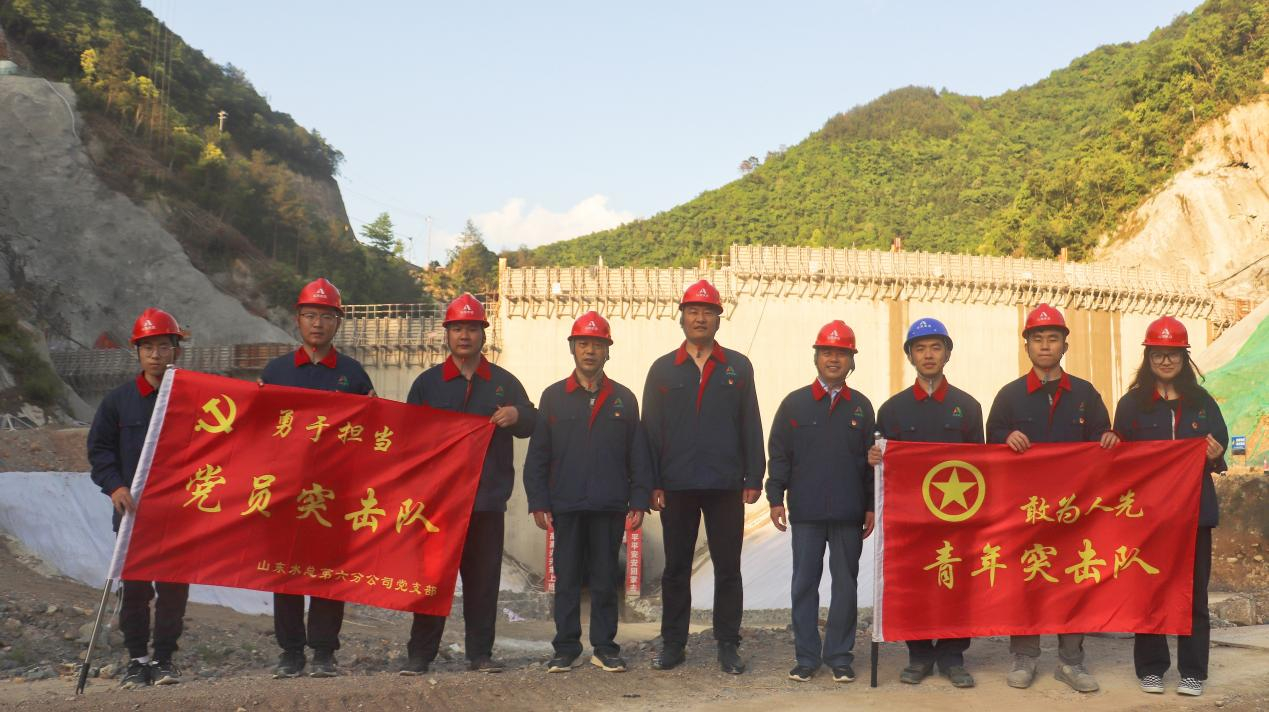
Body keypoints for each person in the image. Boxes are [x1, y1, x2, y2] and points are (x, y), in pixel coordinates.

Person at [400, 293, 536, 674]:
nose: (464, 335)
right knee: (432, 580)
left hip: (486, 502)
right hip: (438, 505)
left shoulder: (503, 383)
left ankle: (480, 654)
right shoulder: (427, 384)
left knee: (483, 583)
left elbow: (533, 420)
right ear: (447, 334)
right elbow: (407, 437)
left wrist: (516, 414)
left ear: (483, 335)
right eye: (457, 328)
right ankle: (420, 655)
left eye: (472, 328)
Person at [986, 303, 1119, 693]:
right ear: (1027, 345)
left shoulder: (1085, 394)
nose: (1045, 345)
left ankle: (1071, 661)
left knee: (1073, 582)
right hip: (1025, 512)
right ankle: (1024, 656)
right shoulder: (1009, 396)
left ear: (1065, 345)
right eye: (1038, 339)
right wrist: (1005, 438)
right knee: (1027, 580)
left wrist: (1109, 438)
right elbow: (989, 445)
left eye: (1053, 338)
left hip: (1074, 512)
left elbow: (1103, 439)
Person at [642, 279, 765, 674]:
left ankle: (728, 644)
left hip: (725, 483)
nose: (699, 318)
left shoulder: (737, 367)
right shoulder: (662, 369)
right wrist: (651, 482)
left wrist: (754, 476)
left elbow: (750, 422)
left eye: (707, 312)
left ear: (718, 319)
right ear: (681, 317)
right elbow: (650, 430)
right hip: (676, 484)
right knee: (676, 568)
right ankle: (673, 644)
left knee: (728, 567)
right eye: (693, 311)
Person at [523, 311, 651, 674]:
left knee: (604, 578)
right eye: (583, 344)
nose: (590, 351)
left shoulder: (624, 399)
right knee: (566, 577)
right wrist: (538, 501)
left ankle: (605, 647)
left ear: (608, 350)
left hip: (609, 504)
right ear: (572, 348)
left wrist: (639, 499)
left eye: (597, 344)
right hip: (565, 504)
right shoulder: (553, 397)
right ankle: (565, 647)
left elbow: (638, 454)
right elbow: (538, 455)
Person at [260, 278, 375, 679]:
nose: (318, 324)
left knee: (328, 573)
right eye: (310, 315)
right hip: (286, 489)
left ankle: (324, 651)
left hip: (334, 491)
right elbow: (257, 429)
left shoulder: (352, 374)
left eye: (326, 316)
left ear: (337, 322)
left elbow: (372, 431)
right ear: (298, 319)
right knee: (286, 571)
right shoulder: (276, 372)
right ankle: (290, 652)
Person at [1112, 316, 1227, 697]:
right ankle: (1151, 668)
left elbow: (1219, 446)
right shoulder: (1131, 405)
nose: (1165, 361)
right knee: (1148, 590)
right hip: (1146, 517)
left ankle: (1193, 671)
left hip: (1195, 515)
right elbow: (1118, 461)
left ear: (1184, 358)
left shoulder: (1202, 403)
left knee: (1194, 594)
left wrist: (1215, 453)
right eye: (1158, 354)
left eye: (1173, 354)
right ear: (1148, 358)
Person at [868, 318, 982, 688]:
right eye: (920, 348)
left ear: (947, 353)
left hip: (957, 518)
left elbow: (981, 467)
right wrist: (875, 457)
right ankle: (918, 655)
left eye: (935, 347)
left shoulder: (967, 407)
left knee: (955, 585)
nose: (928, 355)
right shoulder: (893, 409)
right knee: (914, 583)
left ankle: (952, 656)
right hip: (911, 517)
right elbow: (884, 466)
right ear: (910, 356)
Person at [88, 308, 190, 689]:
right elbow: (100, 450)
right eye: (148, 348)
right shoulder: (119, 401)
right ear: (137, 352)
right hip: (133, 515)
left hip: (179, 515)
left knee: (173, 591)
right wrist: (115, 486)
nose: (156, 355)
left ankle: (164, 659)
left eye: (163, 346)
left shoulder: (192, 398)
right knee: (134, 589)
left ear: (176, 350)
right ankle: (137, 660)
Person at [767, 321, 874, 684]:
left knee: (845, 586)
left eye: (841, 354)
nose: (834, 359)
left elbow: (870, 463)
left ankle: (840, 657)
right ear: (816, 357)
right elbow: (779, 454)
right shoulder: (794, 404)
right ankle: (807, 657)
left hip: (848, 512)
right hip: (807, 512)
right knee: (804, 584)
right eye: (827, 352)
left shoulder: (861, 407)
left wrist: (870, 505)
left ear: (851, 361)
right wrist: (775, 497)